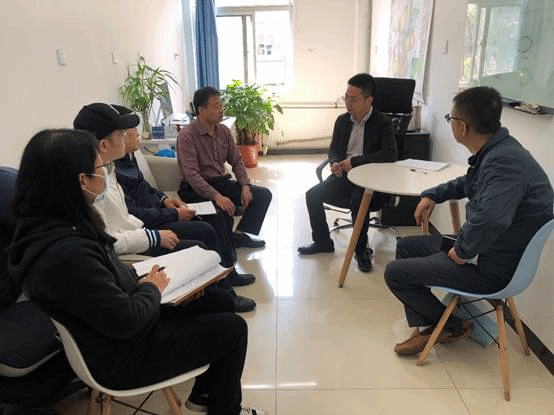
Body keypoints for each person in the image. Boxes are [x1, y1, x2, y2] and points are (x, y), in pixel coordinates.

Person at [6, 129, 266, 415]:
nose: (106, 174)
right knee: (234, 330)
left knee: (218, 300)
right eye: (101, 167)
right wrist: (152, 288)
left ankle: (205, 395)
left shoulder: (58, 225)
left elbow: (106, 283)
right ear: (82, 181)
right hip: (121, 356)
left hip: (117, 326)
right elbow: (126, 320)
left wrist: (153, 284)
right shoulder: (67, 252)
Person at [384, 86, 554, 356]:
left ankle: (451, 326)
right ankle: (432, 324)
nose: (450, 123)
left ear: (462, 127)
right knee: (406, 247)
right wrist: (432, 195)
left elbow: (491, 219)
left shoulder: (504, 162)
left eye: (450, 119)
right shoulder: (499, 151)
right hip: (491, 250)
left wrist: (462, 250)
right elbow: (468, 182)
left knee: (395, 273)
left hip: (493, 267)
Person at [74, 103, 256, 312]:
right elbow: (114, 234)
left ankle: (224, 287)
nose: (131, 136)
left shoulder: (111, 167)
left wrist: (164, 200)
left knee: (212, 222)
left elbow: (135, 201)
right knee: (202, 238)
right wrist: (158, 231)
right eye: (123, 133)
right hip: (140, 238)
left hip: (143, 229)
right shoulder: (94, 182)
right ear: (105, 144)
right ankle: (221, 297)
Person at [297, 73, 397, 273]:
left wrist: (355, 162)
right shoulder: (342, 121)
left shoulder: (383, 122)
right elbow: (334, 150)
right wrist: (334, 162)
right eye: (346, 98)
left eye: (353, 99)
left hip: (368, 178)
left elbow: (390, 154)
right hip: (343, 174)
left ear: (368, 100)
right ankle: (323, 242)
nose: (347, 103)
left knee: (358, 201)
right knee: (312, 195)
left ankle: (361, 250)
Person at [176, 87, 272, 250]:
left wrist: (245, 186)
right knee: (221, 213)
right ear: (201, 110)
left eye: (221, 105)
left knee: (262, 195)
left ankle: (239, 235)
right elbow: (192, 175)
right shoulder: (187, 136)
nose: (221, 110)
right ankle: (226, 244)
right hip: (194, 189)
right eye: (216, 106)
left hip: (220, 182)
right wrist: (217, 197)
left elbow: (237, 161)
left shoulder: (224, 131)